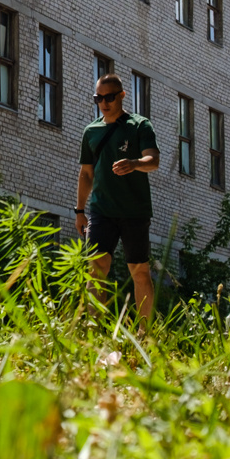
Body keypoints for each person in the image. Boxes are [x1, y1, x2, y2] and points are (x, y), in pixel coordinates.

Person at [77, 73, 160, 324]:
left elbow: (153, 161)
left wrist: (134, 163)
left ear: (122, 96)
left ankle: (145, 335)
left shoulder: (139, 125)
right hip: (101, 211)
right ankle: (95, 333)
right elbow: (86, 174)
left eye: (109, 97)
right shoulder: (91, 131)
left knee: (139, 271)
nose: (104, 102)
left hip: (135, 211)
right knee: (96, 269)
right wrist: (79, 211)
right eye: (98, 98)